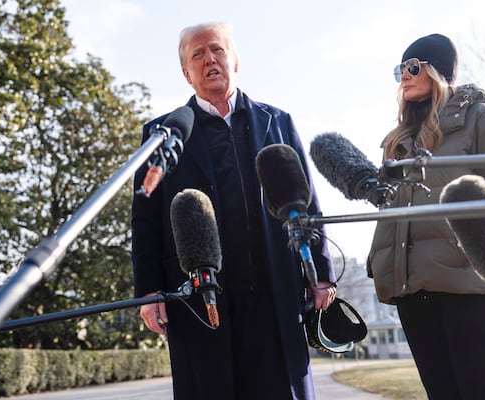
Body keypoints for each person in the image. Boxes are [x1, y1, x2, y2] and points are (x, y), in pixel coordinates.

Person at [131, 22, 336, 400]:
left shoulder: (278, 122)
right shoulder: (163, 134)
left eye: (217, 49)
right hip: (199, 301)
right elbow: (144, 221)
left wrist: (321, 274)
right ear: (186, 73)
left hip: (275, 296)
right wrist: (149, 290)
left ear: (235, 60)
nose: (210, 59)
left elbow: (306, 204)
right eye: (198, 54)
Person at [366, 33, 485, 400]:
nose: (404, 76)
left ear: (437, 70)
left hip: (468, 282)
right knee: (440, 393)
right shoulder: (398, 140)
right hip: (411, 288)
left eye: (413, 67)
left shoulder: (479, 118)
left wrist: (483, 244)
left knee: (475, 391)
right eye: (400, 69)